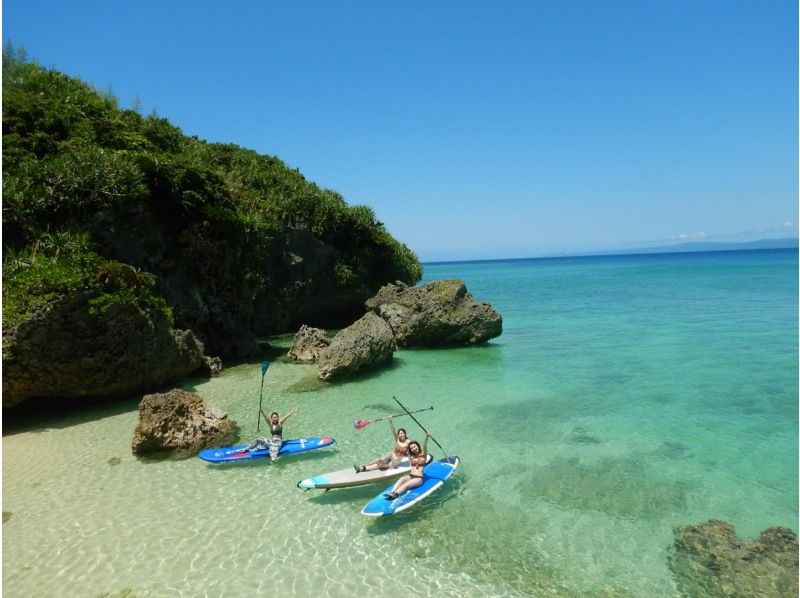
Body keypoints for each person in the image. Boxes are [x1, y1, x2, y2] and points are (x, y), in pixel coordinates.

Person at [384, 432, 429, 500]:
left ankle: (395, 494)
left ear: (417, 446)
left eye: (414, 446)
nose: (414, 448)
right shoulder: (410, 456)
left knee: (406, 485)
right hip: (410, 476)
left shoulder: (423, 456)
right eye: (412, 448)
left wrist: (427, 437)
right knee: (402, 479)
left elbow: (424, 446)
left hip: (418, 479)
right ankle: (392, 492)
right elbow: (397, 440)